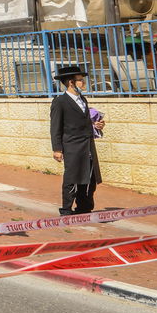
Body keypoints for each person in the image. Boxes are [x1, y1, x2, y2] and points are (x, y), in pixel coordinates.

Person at [50, 63, 103, 215]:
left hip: (87, 145)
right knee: (72, 179)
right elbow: (55, 127)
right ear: (71, 82)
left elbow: (85, 122)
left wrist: (97, 125)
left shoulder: (83, 100)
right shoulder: (60, 102)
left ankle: (84, 208)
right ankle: (66, 209)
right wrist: (57, 149)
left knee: (89, 178)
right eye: (80, 80)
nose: (83, 83)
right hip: (72, 146)